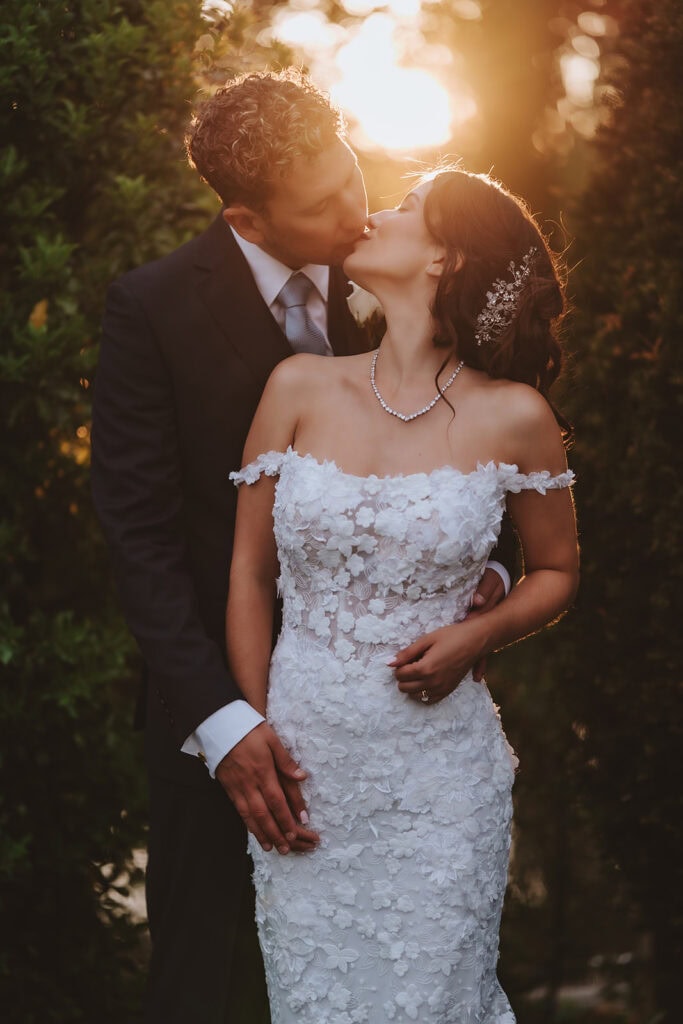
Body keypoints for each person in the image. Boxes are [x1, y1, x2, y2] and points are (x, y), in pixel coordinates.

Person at [90, 72, 514, 1023]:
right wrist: (226, 722)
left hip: (401, 726)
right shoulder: (151, 309)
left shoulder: (405, 271)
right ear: (246, 214)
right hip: (220, 723)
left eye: (353, 177)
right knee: (209, 983)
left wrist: (482, 572)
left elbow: (493, 455)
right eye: (320, 206)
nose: (354, 213)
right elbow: (141, 535)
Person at [226, 168, 580, 1023]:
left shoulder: (514, 415)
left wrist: (478, 635)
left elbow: (557, 571)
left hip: (438, 783)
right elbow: (249, 572)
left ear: (444, 257)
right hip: (307, 770)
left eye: (405, 207)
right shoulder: (297, 388)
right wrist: (252, 724)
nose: (373, 214)